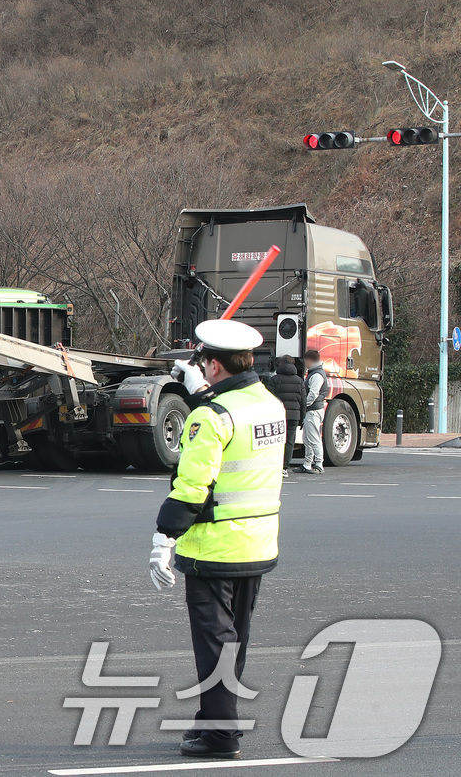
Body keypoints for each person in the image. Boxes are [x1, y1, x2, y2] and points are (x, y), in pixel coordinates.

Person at [154, 320, 285, 759]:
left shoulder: (210, 416)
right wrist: (205, 396)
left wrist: (163, 537)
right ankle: (213, 723)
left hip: (213, 547)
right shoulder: (270, 404)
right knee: (234, 641)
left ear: (212, 364)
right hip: (257, 542)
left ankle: (220, 735)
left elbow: (192, 486)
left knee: (215, 644)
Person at [264, 356, 306, 477]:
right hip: (294, 416)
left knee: (276, 440)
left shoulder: (275, 379)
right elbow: (303, 401)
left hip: (278, 415)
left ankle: (276, 465)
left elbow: (269, 399)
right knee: (289, 441)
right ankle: (285, 467)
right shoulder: (299, 380)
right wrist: (302, 417)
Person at [298, 350, 327, 474]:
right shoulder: (316, 373)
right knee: (308, 438)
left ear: (310, 360)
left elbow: (313, 393)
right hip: (314, 409)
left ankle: (319, 464)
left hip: (313, 410)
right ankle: (307, 464)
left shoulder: (316, 375)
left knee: (313, 437)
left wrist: (304, 405)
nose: (305, 363)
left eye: (306, 360)